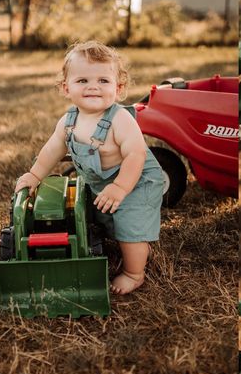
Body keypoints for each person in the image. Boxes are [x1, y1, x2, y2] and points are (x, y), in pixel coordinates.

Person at [15, 40, 164, 295]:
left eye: (103, 81)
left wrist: (120, 188)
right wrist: (35, 173)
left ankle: (134, 272)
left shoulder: (120, 119)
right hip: (103, 182)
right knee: (105, 219)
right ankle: (122, 234)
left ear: (118, 89)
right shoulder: (68, 121)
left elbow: (136, 155)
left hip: (135, 181)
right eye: (82, 80)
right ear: (66, 88)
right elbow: (53, 149)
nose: (93, 86)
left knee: (129, 226)